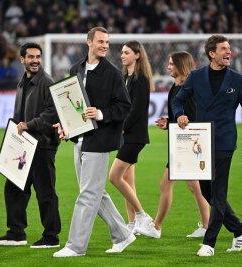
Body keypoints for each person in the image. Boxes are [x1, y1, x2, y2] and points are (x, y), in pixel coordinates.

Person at [172, 35, 242, 257]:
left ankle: (208, 243)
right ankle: (240, 231)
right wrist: (180, 115)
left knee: (218, 193)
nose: (229, 52)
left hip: (224, 143)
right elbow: (177, 101)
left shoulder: (238, 80)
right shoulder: (196, 77)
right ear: (212, 53)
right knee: (207, 191)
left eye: (229, 48)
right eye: (224, 49)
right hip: (201, 142)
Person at [52, 27, 134, 258]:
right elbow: (71, 104)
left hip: (100, 140)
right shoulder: (75, 68)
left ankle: (75, 247)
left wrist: (100, 114)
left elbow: (124, 106)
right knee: (95, 192)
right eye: (100, 41)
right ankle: (123, 234)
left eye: (107, 42)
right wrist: (65, 126)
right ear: (89, 42)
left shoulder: (113, 73)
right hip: (79, 139)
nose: (105, 46)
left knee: (88, 194)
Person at [0, 42, 61, 249]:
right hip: (24, 145)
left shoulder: (47, 82)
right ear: (22, 59)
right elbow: (19, 114)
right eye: (31, 57)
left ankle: (51, 237)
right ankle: (16, 233)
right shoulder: (22, 82)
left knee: (45, 191)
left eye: (38, 57)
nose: (35, 61)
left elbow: (53, 113)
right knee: (14, 187)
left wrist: (29, 124)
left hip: (42, 145)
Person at [152, 52, 210, 239]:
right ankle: (206, 225)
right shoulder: (175, 87)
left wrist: (172, 123)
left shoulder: (188, 88)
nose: (168, 67)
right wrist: (169, 122)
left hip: (187, 145)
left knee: (166, 183)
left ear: (180, 65)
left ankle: (156, 227)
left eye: (171, 64)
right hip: (181, 144)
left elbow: (193, 119)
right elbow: (182, 118)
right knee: (194, 185)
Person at [108, 40, 157, 238]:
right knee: (128, 180)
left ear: (137, 55)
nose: (122, 55)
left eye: (126, 52)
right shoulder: (126, 77)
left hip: (134, 137)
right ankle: (133, 223)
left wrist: (120, 128)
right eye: (122, 52)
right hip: (128, 135)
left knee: (114, 177)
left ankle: (142, 216)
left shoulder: (141, 79)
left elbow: (136, 110)